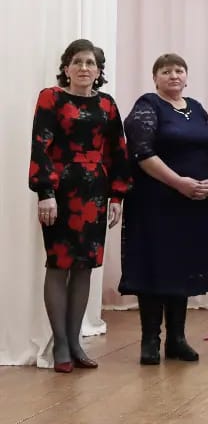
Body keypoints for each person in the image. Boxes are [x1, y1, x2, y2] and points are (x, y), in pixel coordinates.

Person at [28, 39, 131, 373]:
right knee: (59, 265)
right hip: (59, 192)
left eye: (90, 63)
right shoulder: (51, 98)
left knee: (85, 266)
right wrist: (45, 192)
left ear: (99, 71)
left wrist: (117, 197)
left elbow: (118, 151)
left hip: (95, 193)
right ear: (66, 68)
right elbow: (40, 145)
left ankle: (74, 342)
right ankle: (60, 343)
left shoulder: (107, 104)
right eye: (78, 62)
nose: (84, 68)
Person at [120, 53, 208, 365]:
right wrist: (178, 182)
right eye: (166, 71)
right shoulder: (148, 105)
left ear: (186, 77)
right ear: (155, 78)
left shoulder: (197, 108)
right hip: (155, 201)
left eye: (179, 70)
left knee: (182, 265)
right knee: (154, 266)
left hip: (192, 202)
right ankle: (150, 340)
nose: (173, 75)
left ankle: (177, 339)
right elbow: (141, 152)